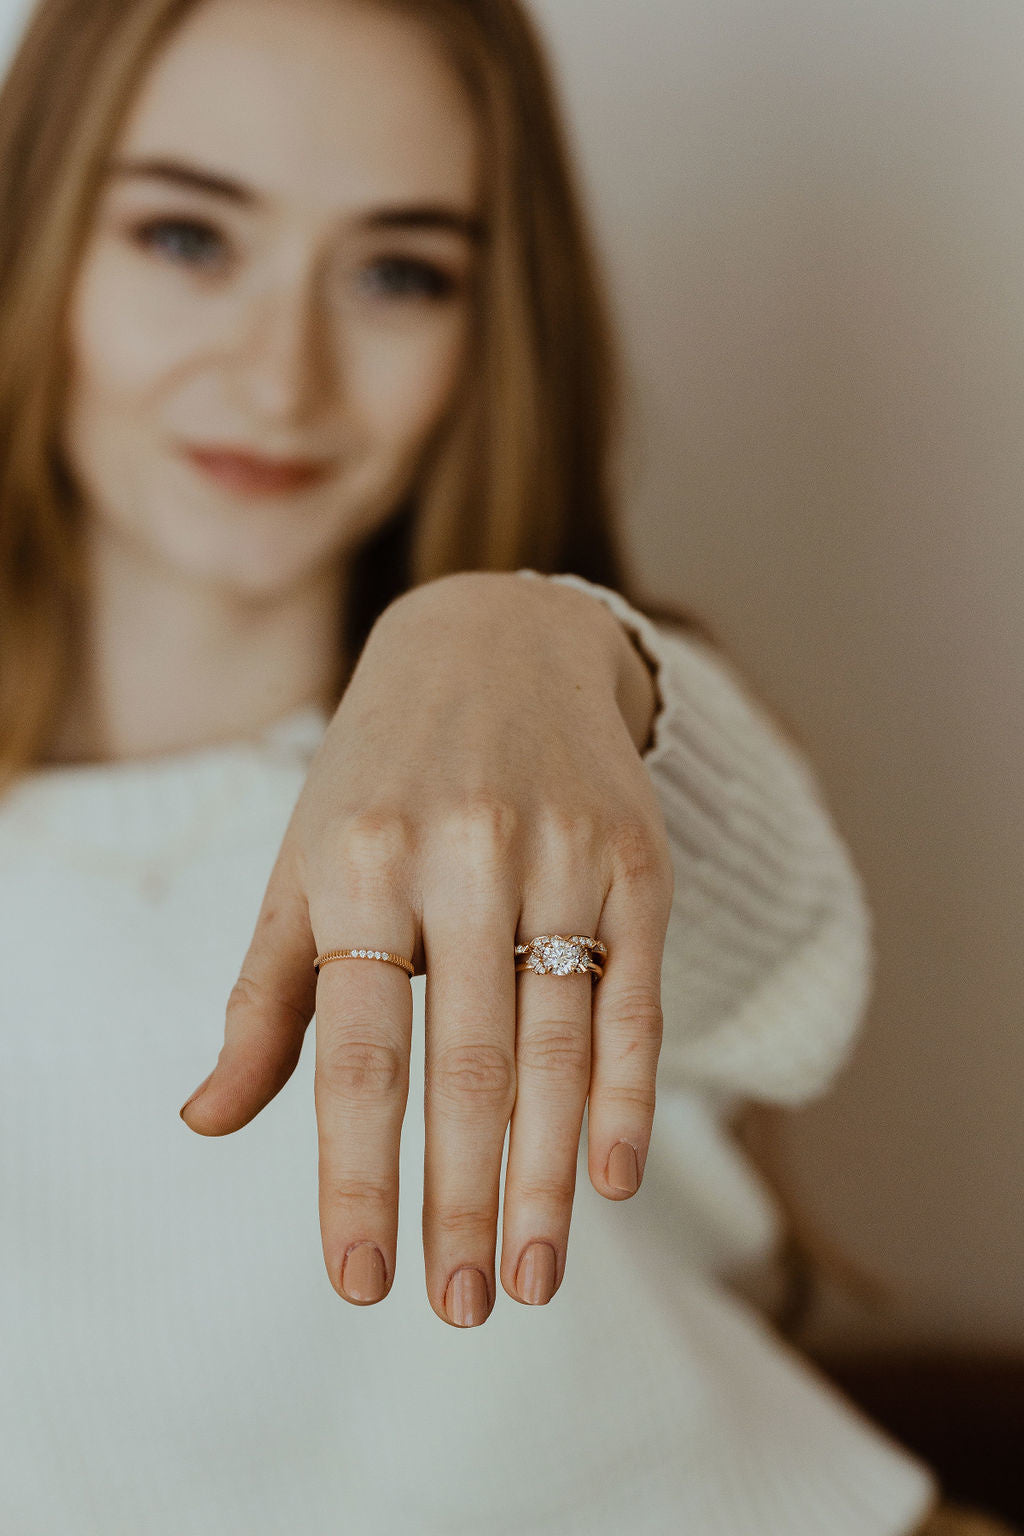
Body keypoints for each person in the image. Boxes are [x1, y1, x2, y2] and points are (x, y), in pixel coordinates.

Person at [0, 0, 1009, 1531]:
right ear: (37, 230)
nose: (282, 378)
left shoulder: (569, 739)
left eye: (400, 272)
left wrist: (534, 641)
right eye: (187, 239)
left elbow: (793, 980)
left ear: (492, 328)